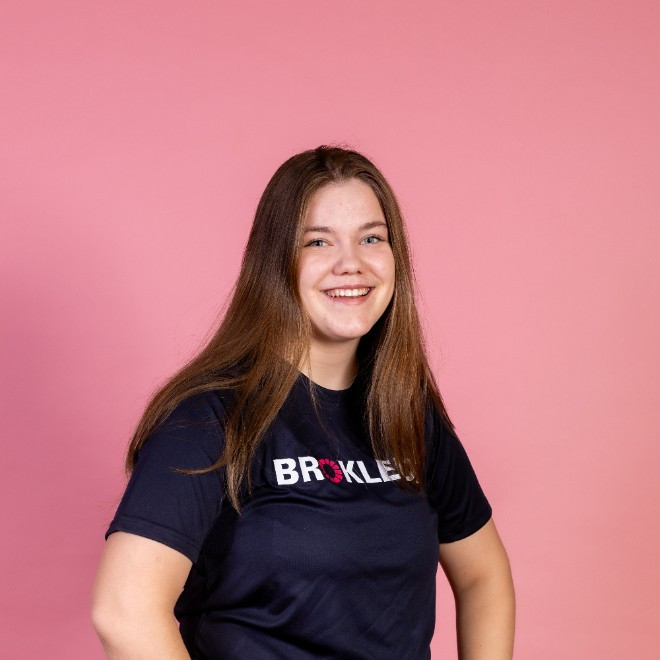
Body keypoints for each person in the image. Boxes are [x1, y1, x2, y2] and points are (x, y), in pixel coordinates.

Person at [91, 146, 515, 659]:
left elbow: (484, 575)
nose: (351, 264)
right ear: (275, 262)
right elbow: (124, 610)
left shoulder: (406, 414)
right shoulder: (212, 418)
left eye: (371, 238)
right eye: (318, 241)